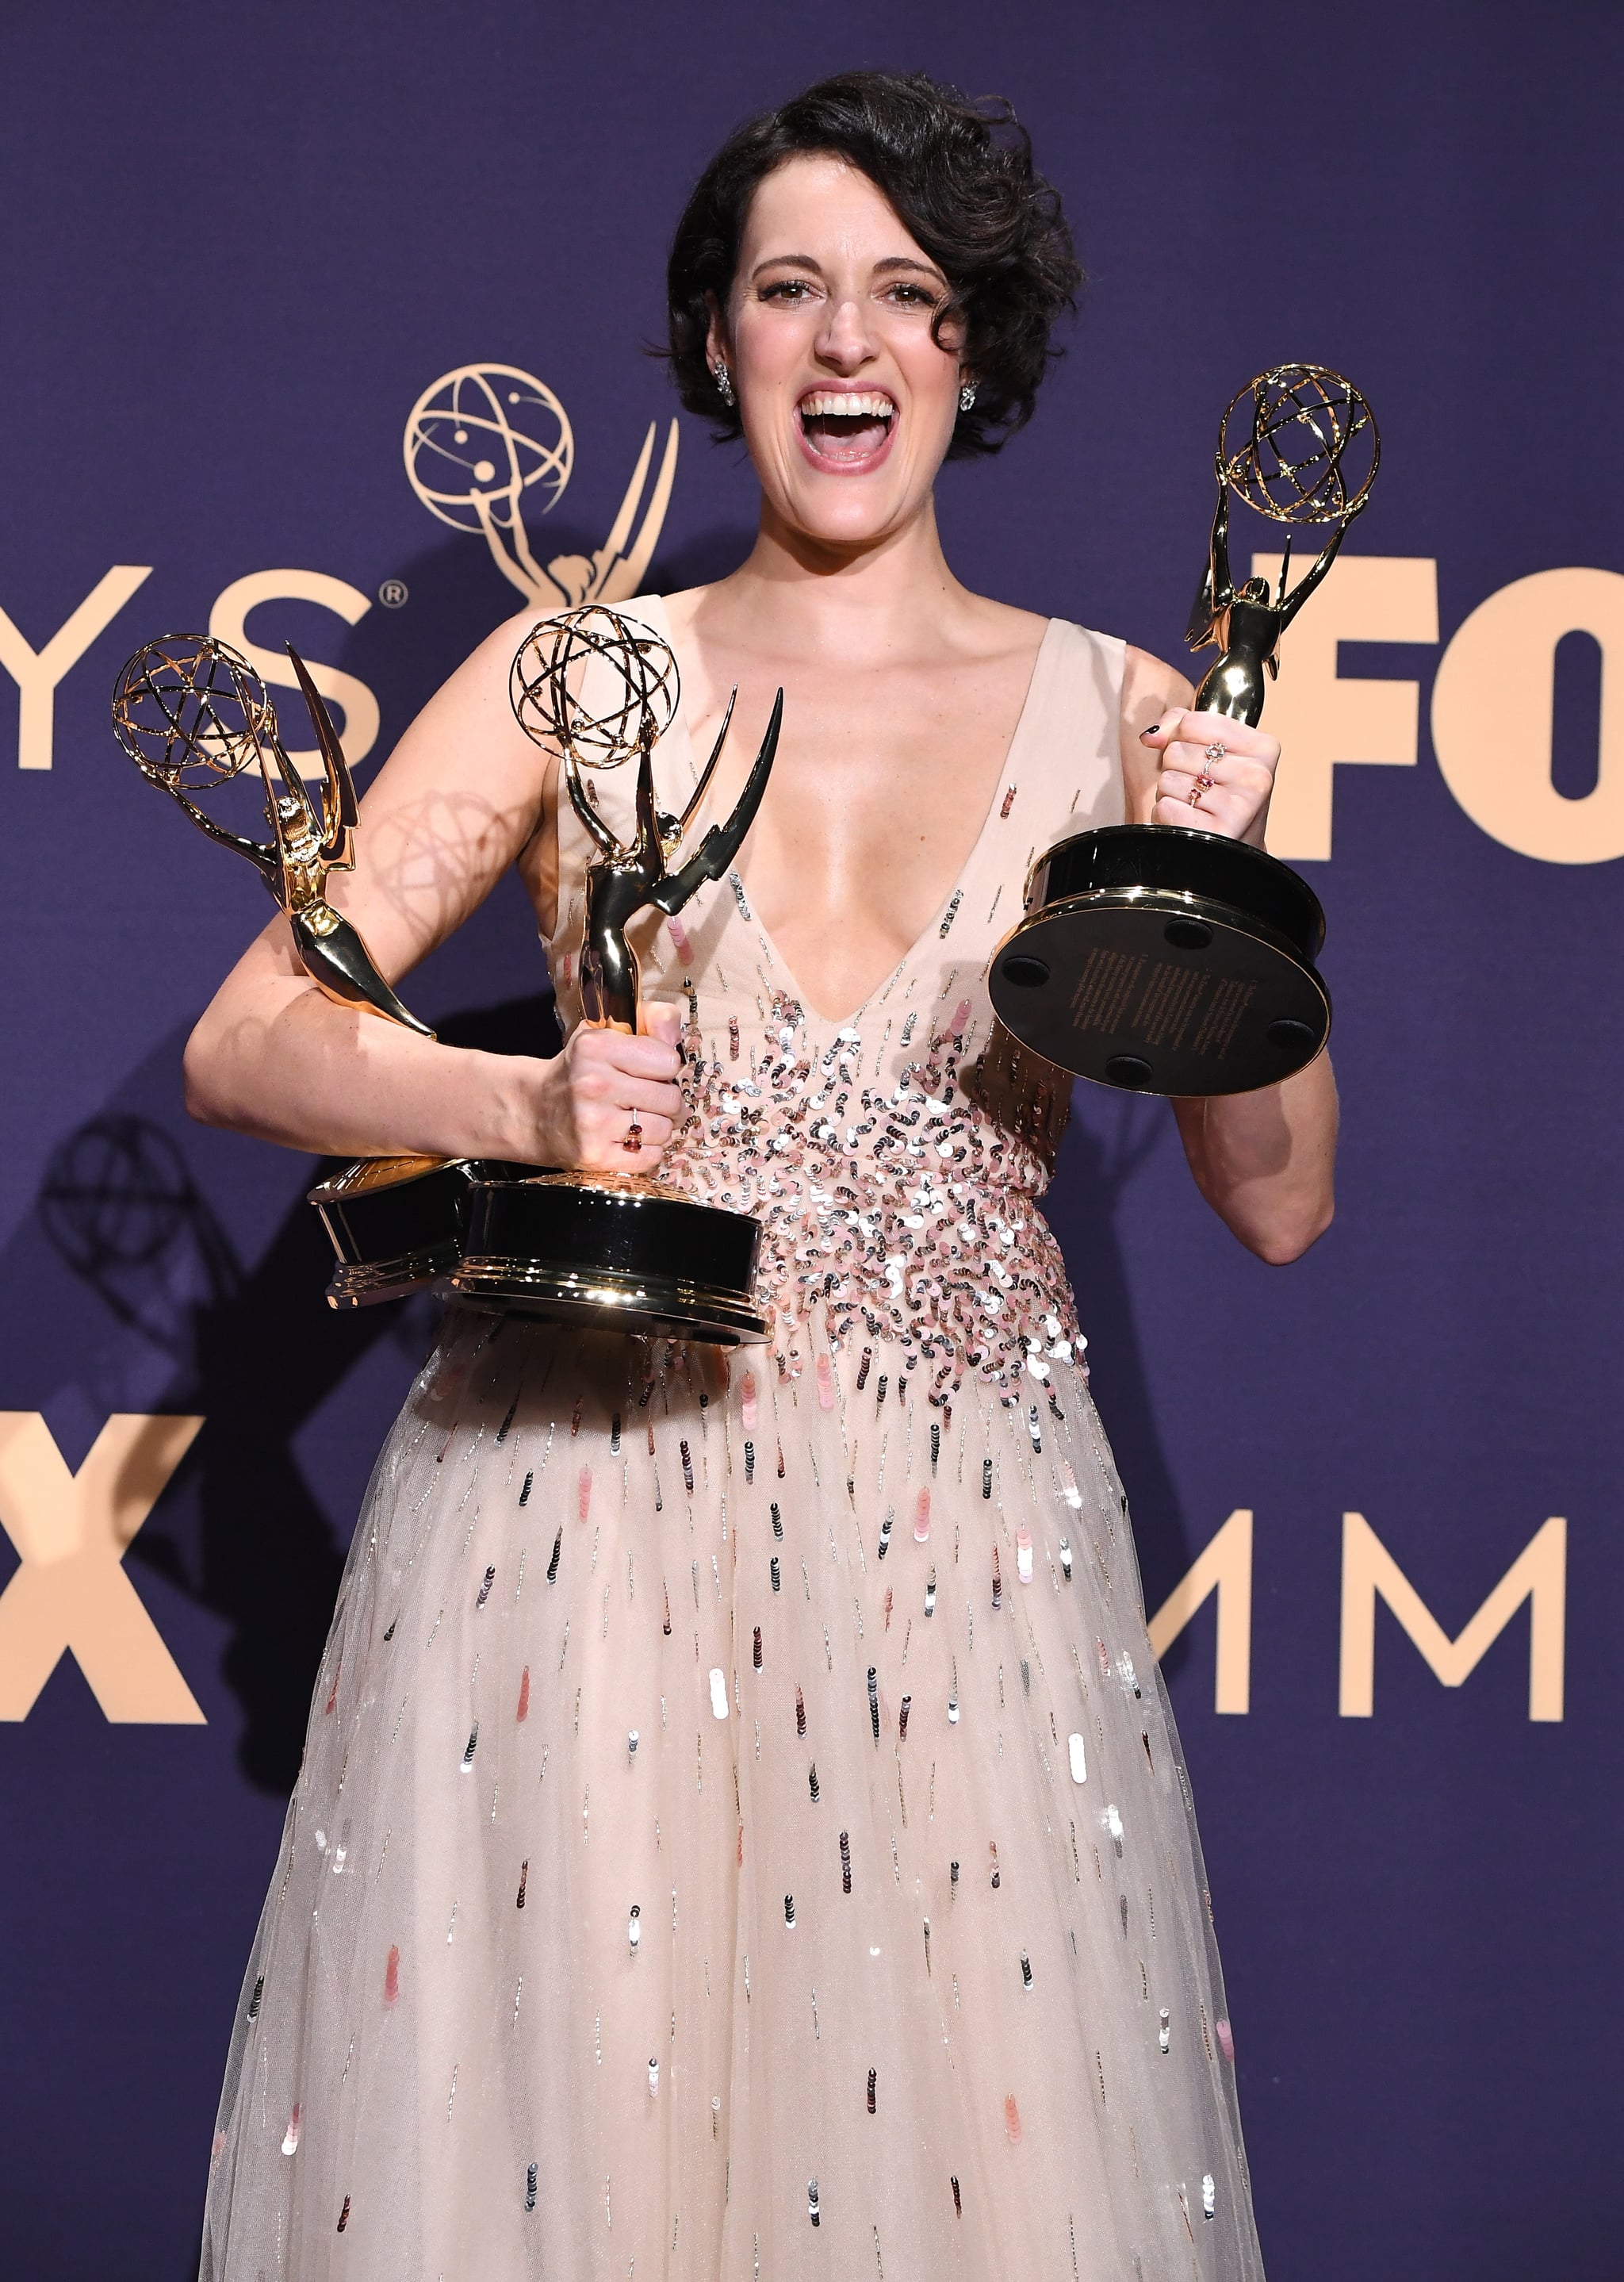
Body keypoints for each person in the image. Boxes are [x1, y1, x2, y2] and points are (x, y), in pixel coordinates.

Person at [187, 69, 1335, 2282]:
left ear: (973, 352)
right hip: (577, 1518)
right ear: (715, 341)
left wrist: (1226, 877)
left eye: (907, 298)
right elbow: (256, 1038)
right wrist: (517, 1107)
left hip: (961, 1557)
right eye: (791, 289)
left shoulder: (1126, 714)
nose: (847, 345)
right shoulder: (575, 676)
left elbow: (1276, 1198)